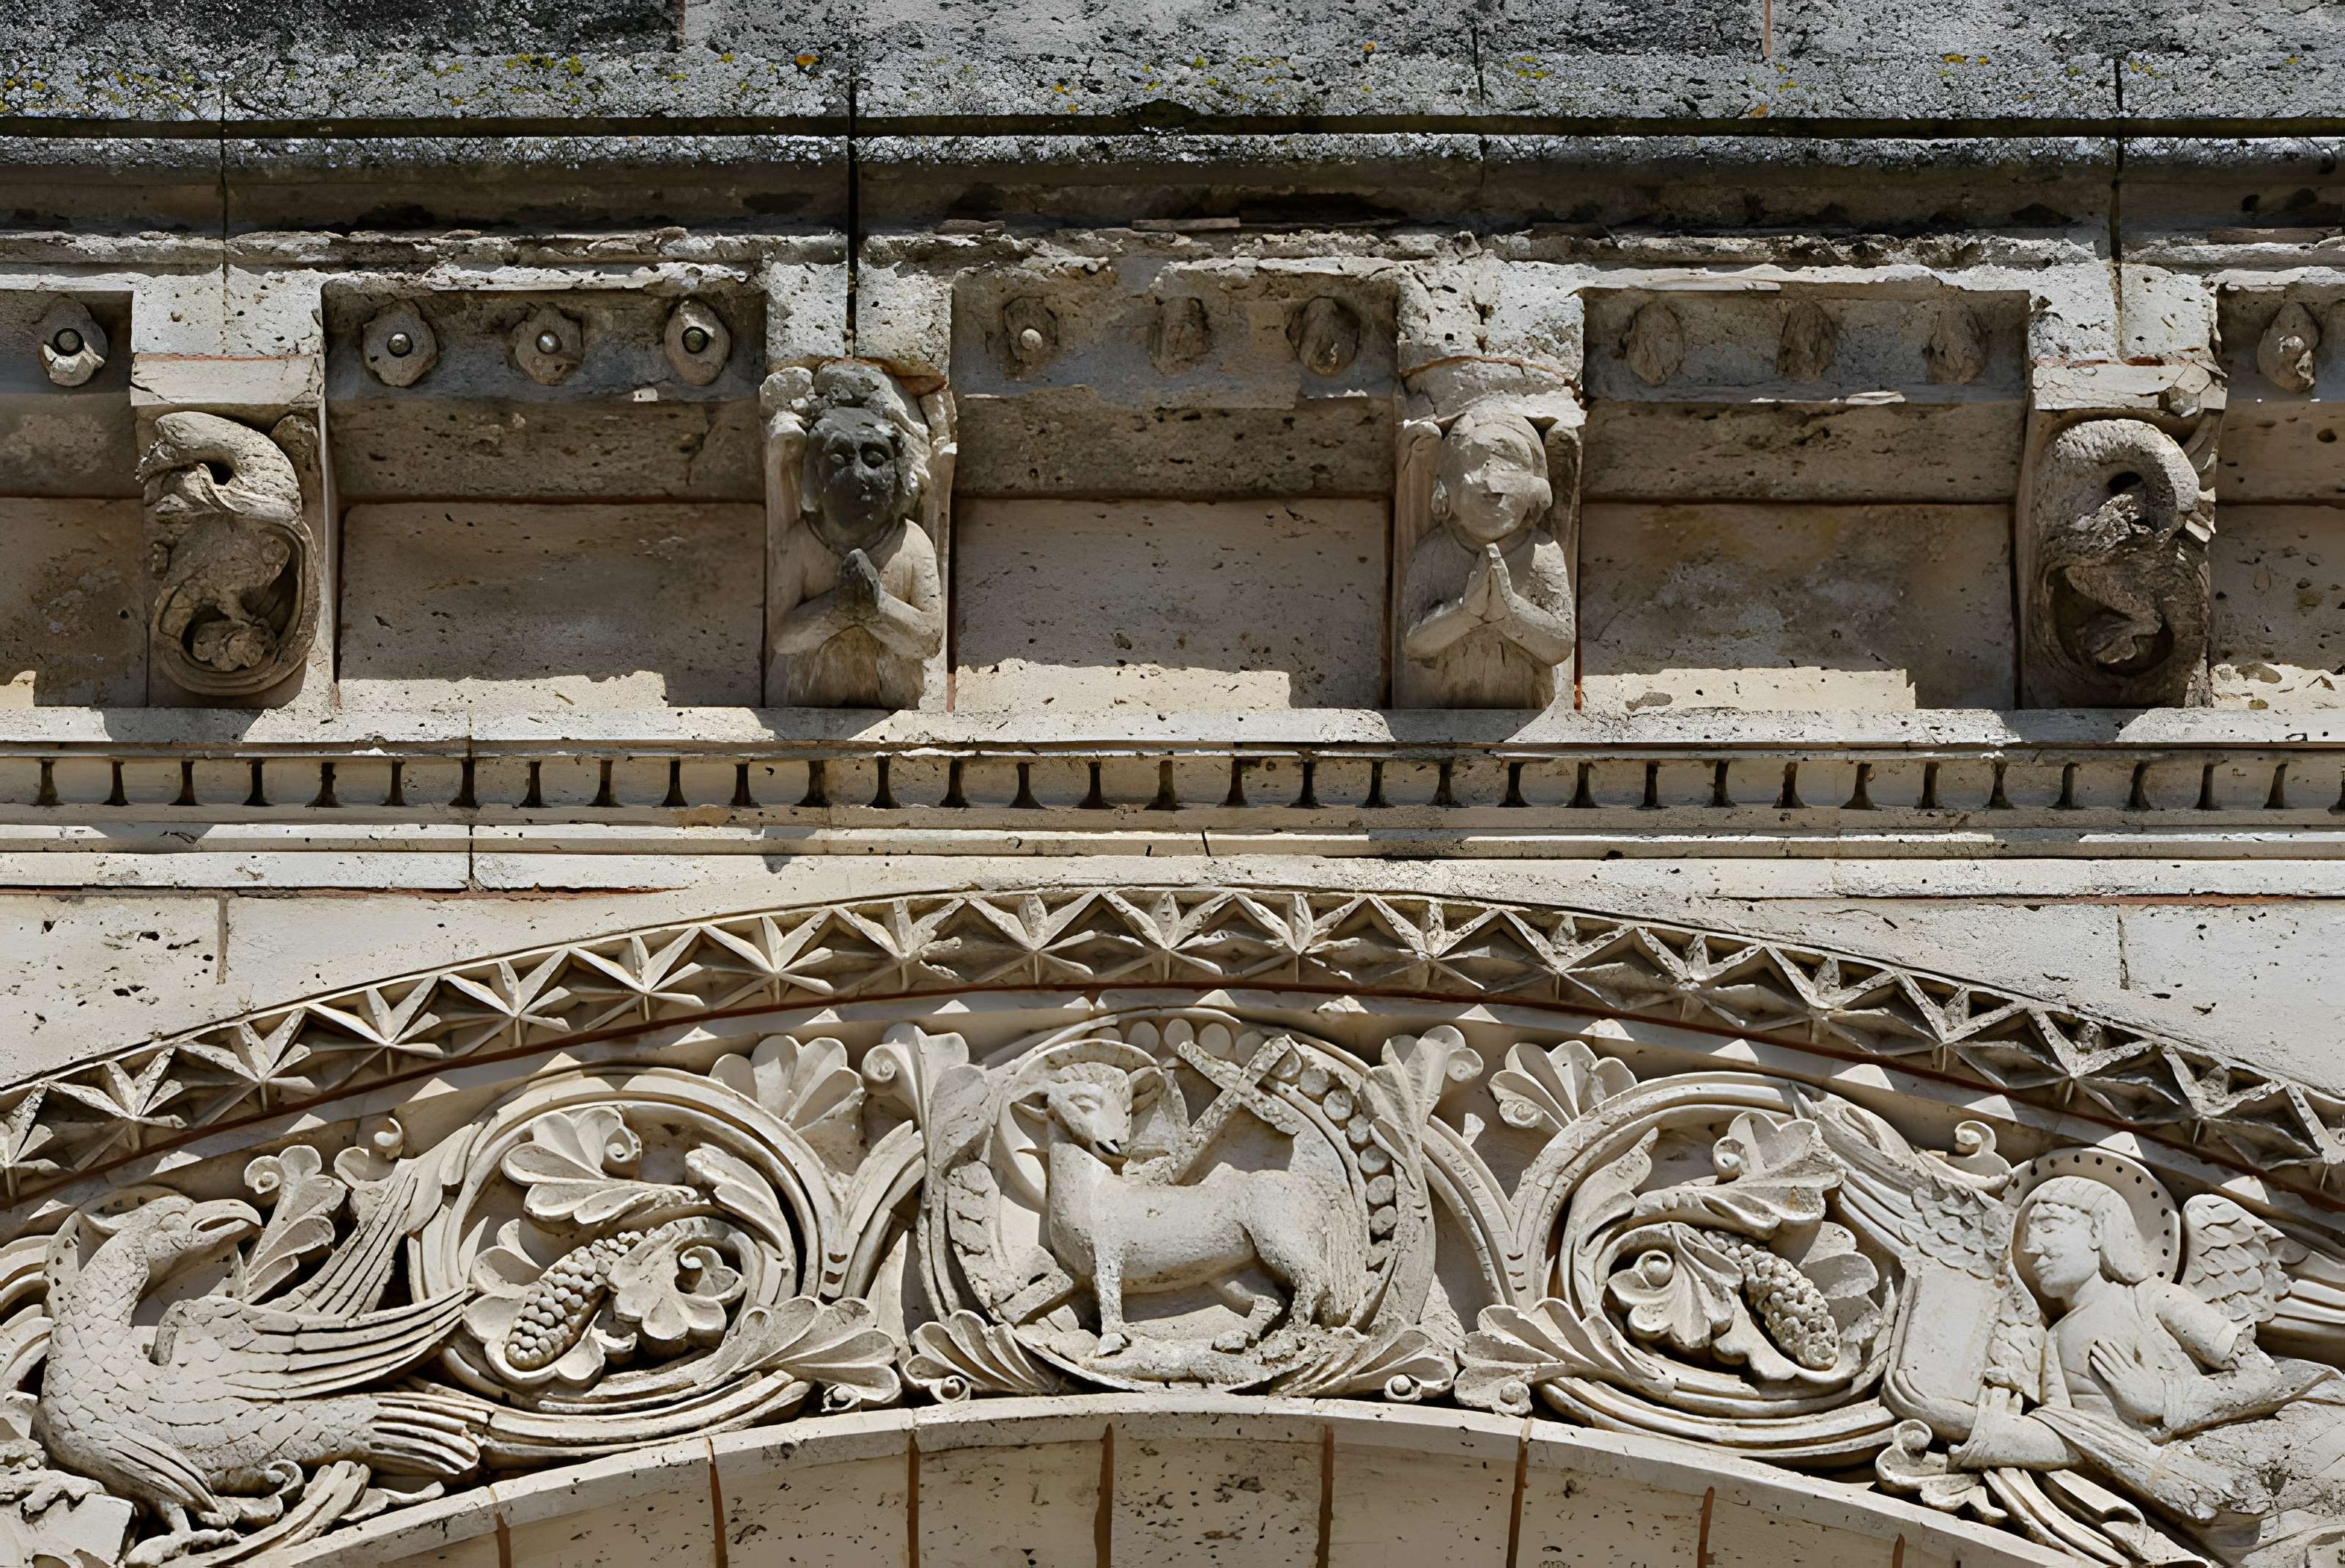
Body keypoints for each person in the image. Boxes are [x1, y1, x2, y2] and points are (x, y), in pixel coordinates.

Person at [1397, 404, 1573, 709]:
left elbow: (1561, 643)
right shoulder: (1433, 552)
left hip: (1530, 714)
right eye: (1475, 464)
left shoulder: (1543, 552)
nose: (1492, 482)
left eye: (1509, 466)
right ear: (1446, 490)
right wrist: (1465, 612)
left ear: (1535, 490)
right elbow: (1413, 643)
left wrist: (1510, 612)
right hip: (1443, 711)